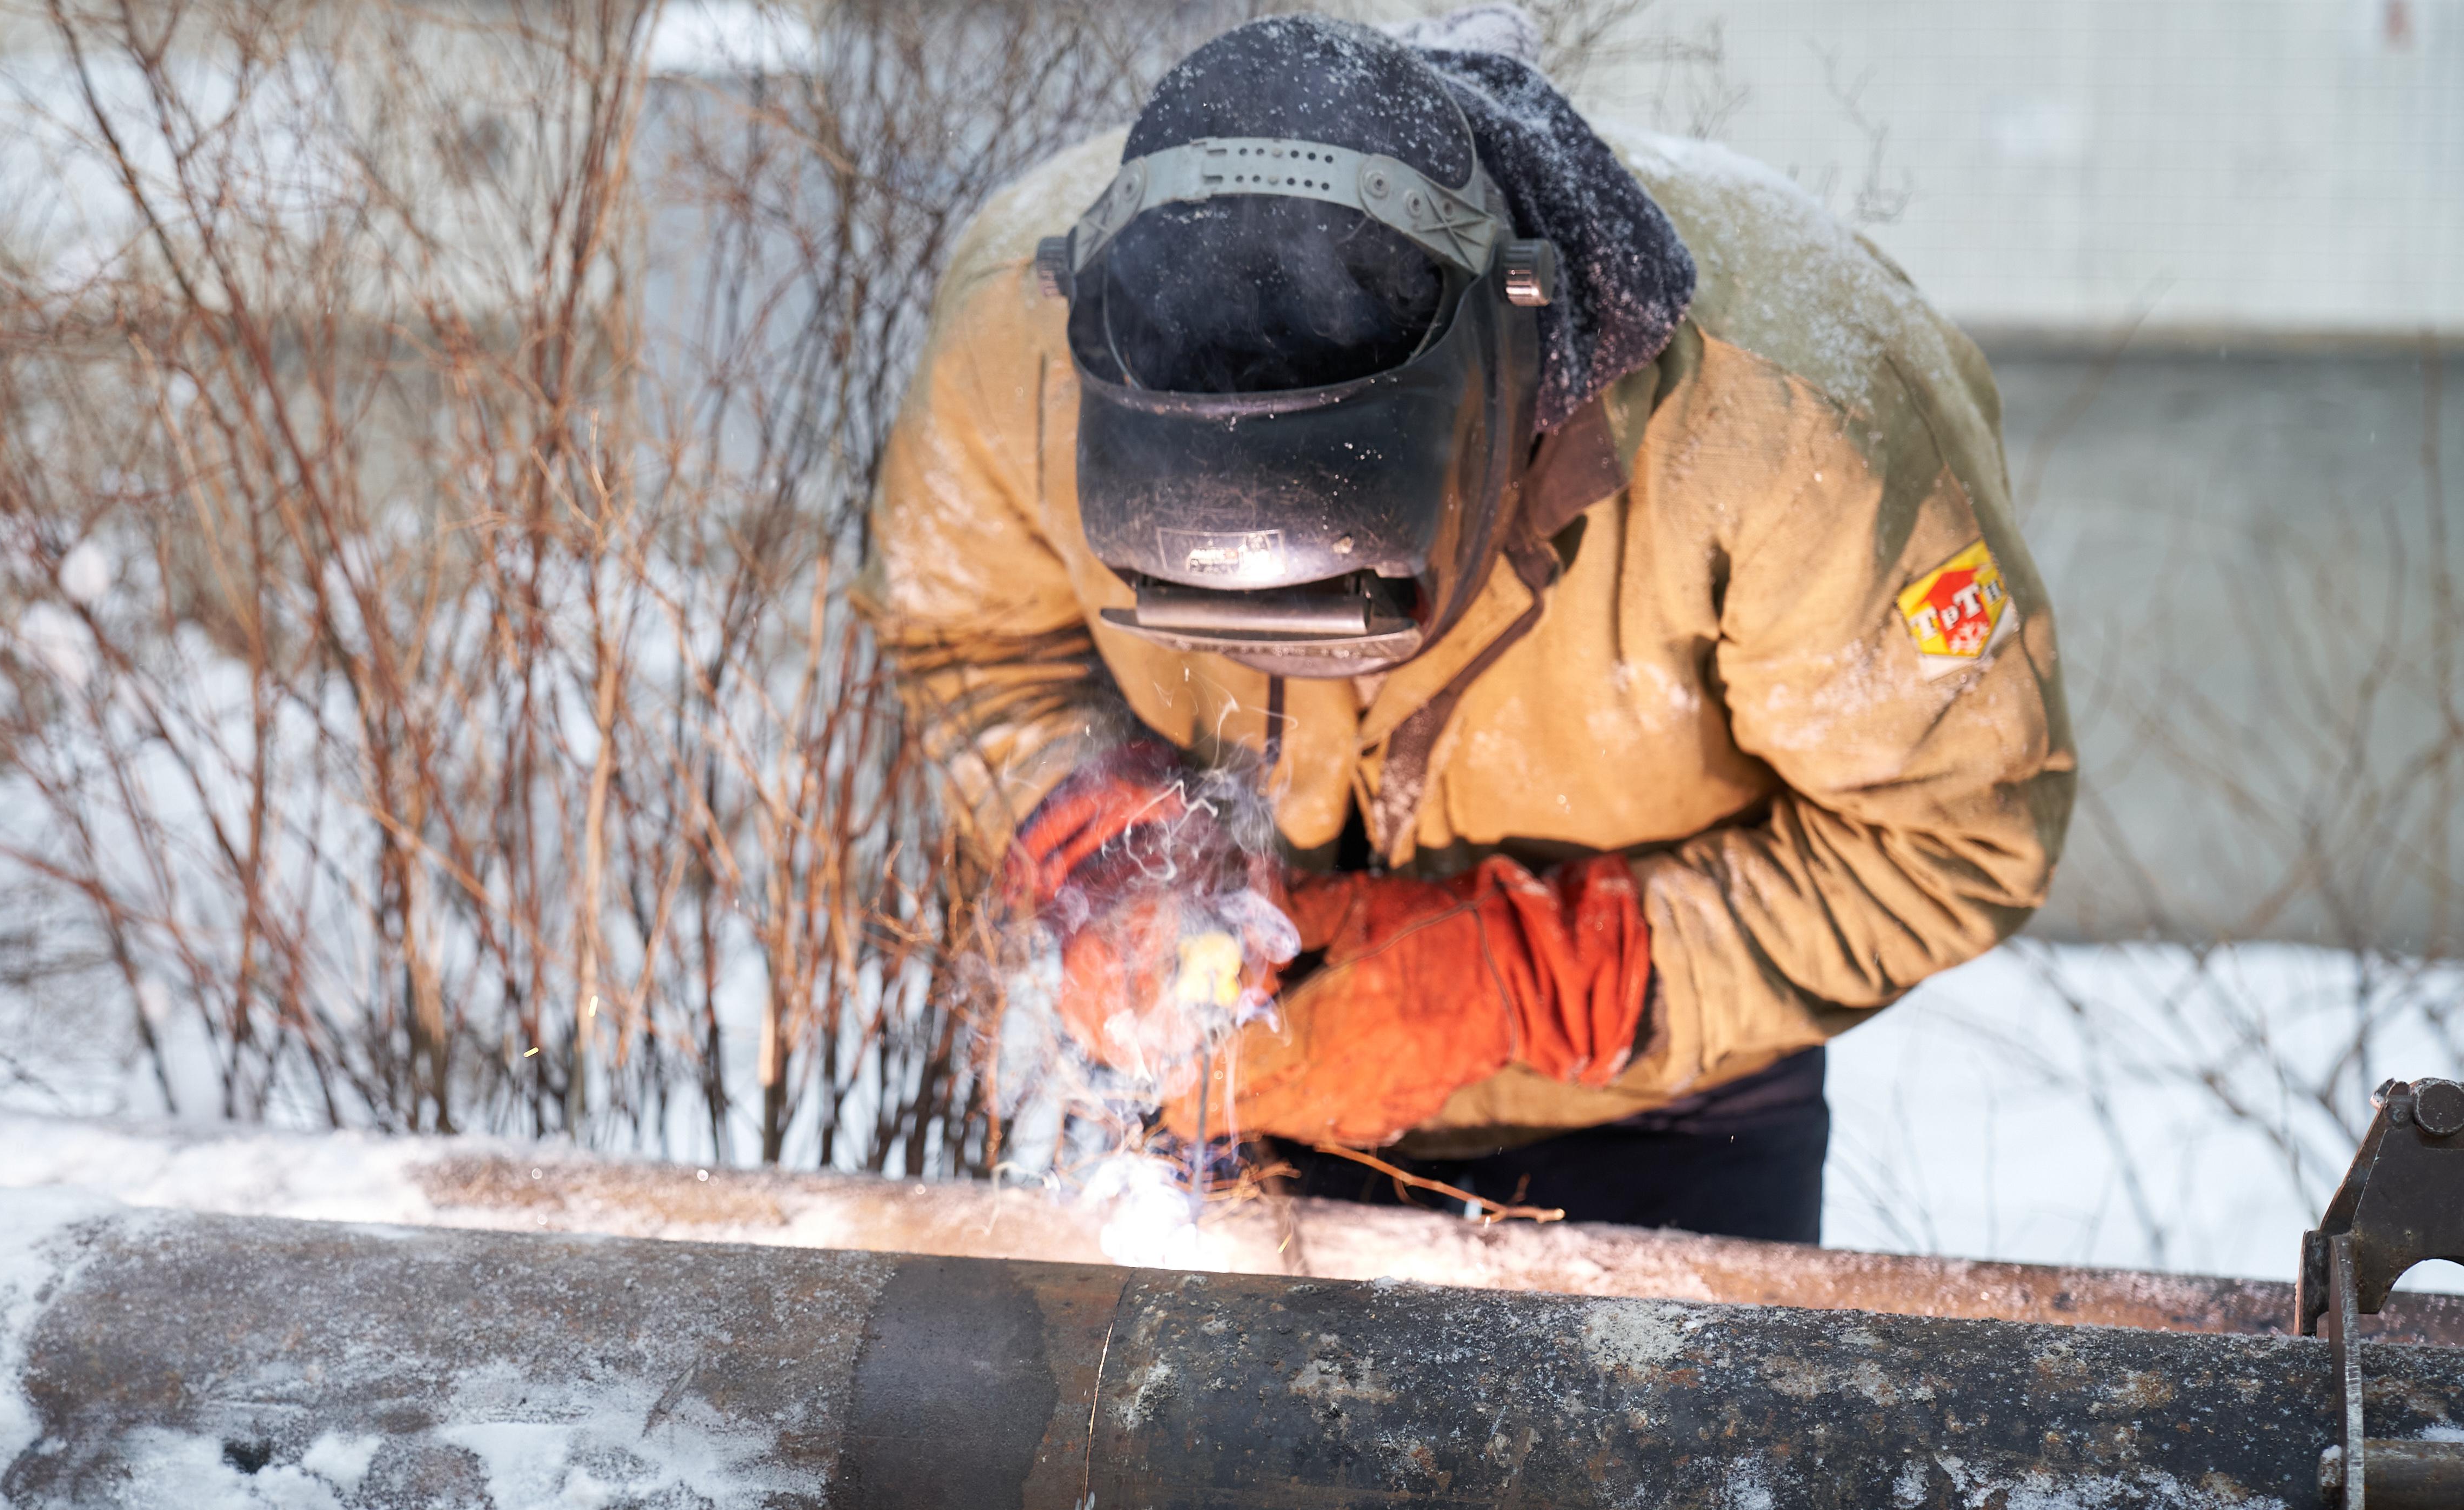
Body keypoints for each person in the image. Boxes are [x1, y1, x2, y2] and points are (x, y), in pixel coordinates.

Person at [857, 11, 2075, 1245]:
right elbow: (974, 648)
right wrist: (1111, 860)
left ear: (1515, 369)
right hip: (1233, 1069)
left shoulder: (1803, 431)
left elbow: (1955, 825)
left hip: (1654, 1103)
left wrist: (1531, 980)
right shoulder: (1019, 337)